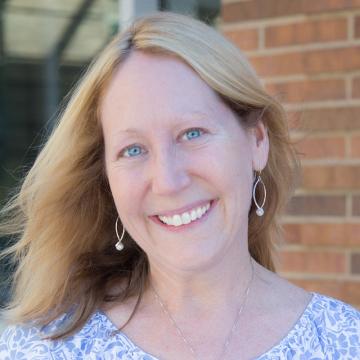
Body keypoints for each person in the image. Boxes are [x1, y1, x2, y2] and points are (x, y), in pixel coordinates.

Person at [0, 12, 359, 360]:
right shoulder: (41, 347)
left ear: (257, 141)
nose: (168, 182)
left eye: (192, 133)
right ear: (106, 178)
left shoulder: (343, 341)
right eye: (133, 149)